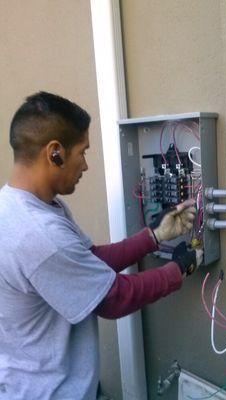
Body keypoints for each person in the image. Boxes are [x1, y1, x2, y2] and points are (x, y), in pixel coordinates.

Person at [0, 92, 202, 400]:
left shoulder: (26, 206)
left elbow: (89, 261)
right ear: (55, 153)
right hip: (49, 392)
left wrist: (154, 236)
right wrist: (180, 268)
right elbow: (113, 299)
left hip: (39, 380)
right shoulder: (39, 234)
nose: (86, 165)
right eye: (82, 152)